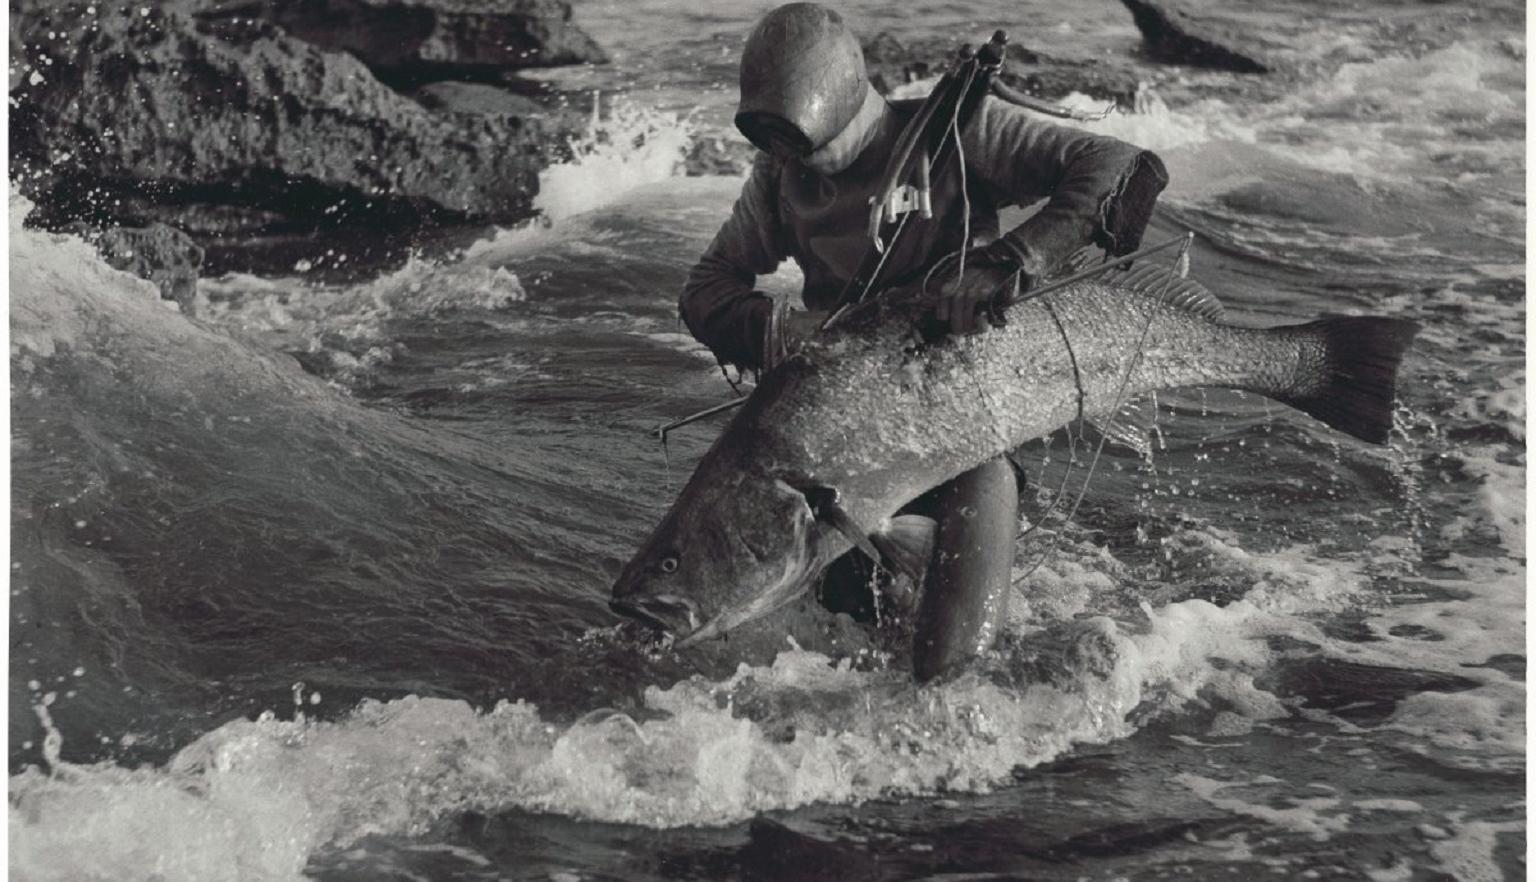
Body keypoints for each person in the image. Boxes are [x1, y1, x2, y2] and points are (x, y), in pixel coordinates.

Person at [679, 3, 1167, 680]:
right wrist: (780, 329)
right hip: (837, 436)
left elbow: (1122, 167)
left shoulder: (956, 133)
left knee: (947, 671)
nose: (795, 163)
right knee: (842, 651)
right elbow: (706, 287)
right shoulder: (777, 179)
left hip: (965, 425)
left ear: (851, 103)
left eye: (805, 144)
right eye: (777, 147)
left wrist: (1010, 259)